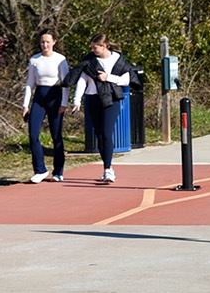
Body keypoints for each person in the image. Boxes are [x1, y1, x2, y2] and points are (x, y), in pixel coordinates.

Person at [71, 33, 133, 184]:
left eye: (95, 47)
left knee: (106, 133)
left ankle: (108, 169)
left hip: (111, 99)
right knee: (99, 134)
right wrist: (77, 100)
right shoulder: (89, 61)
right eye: (91, 47)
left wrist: (108, 77)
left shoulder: (117, 60)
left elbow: (126, 80)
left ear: (104, 46)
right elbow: (82, 80)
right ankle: (106, 166)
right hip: (92, 99)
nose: (93, 50)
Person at [20, 29, 70, 182]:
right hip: (39, 97)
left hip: (55, 96)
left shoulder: (60, 60)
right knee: (33, 134)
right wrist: (25, 105)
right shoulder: (35, 60)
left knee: (56, 135)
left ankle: (58, 171)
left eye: (48, 42)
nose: (45, 45)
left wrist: (64, 103)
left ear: (54, 42)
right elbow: (30, 83)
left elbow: (66, 84)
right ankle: (40, 169)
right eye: (42, 42)